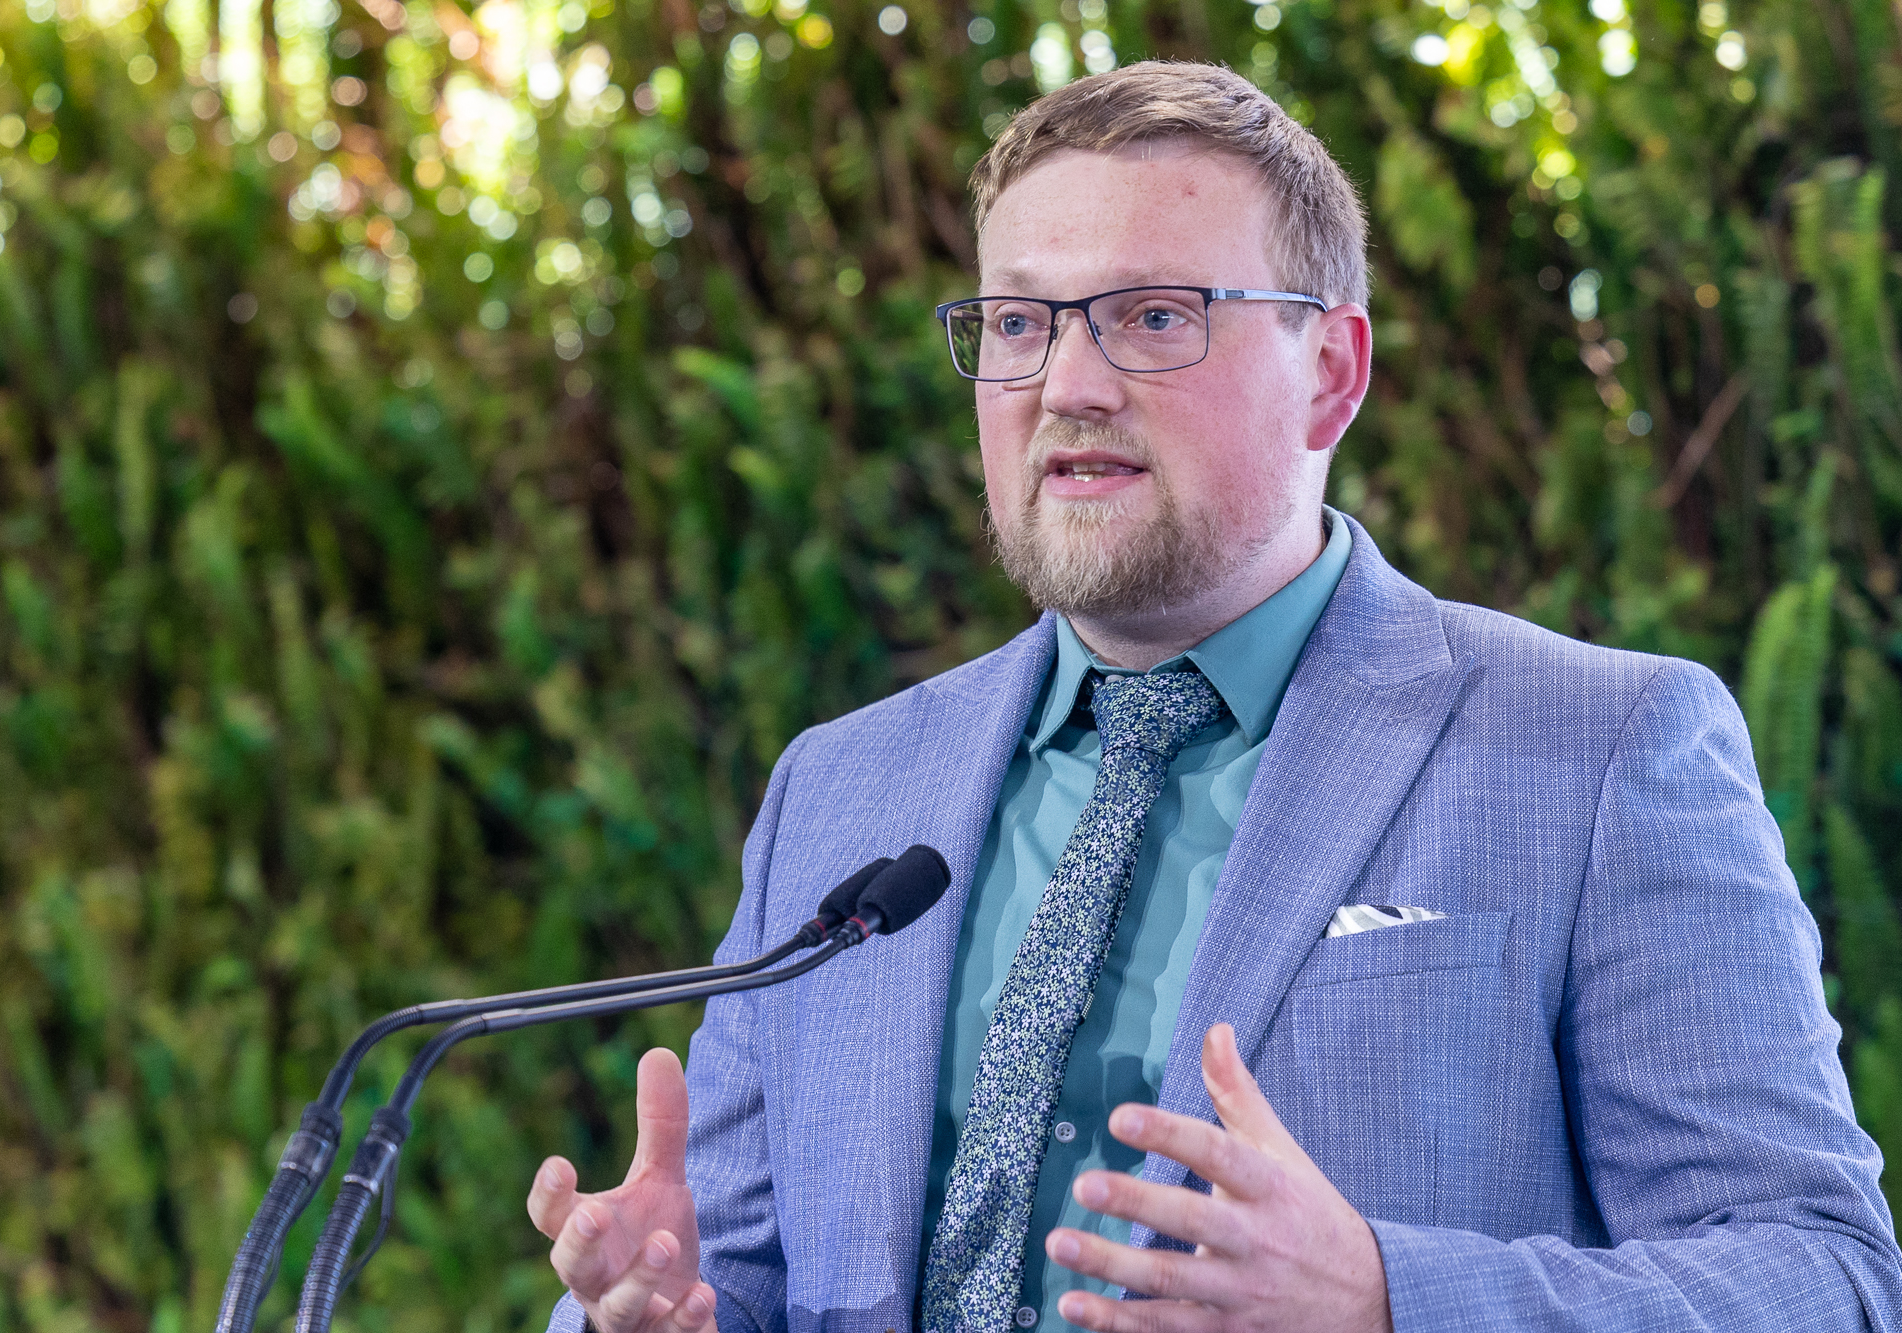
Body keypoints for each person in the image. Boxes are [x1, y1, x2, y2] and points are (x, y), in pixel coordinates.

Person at [526, 61, 1902, 1333]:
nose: (1067, 383)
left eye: (1152, 317)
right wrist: (638, 1308)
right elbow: (721, 1276)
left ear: (1332, 374)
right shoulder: (845, 788)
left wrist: (1387, 1297)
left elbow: (1821, 1272)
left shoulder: (1597, 749)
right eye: (1018, 321)